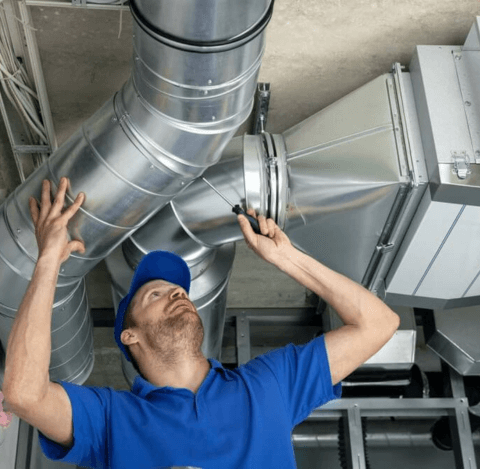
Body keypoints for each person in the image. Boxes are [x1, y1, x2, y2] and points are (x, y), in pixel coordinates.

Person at [3, 177, 400, 469]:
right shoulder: (110, 418)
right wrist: (49, 260)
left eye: (180, 293)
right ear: (130, 335)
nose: (177, 294)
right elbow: (23, 392)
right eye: (155, 295)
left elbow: (378, 323)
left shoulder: (268, 385)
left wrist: (287, 258)